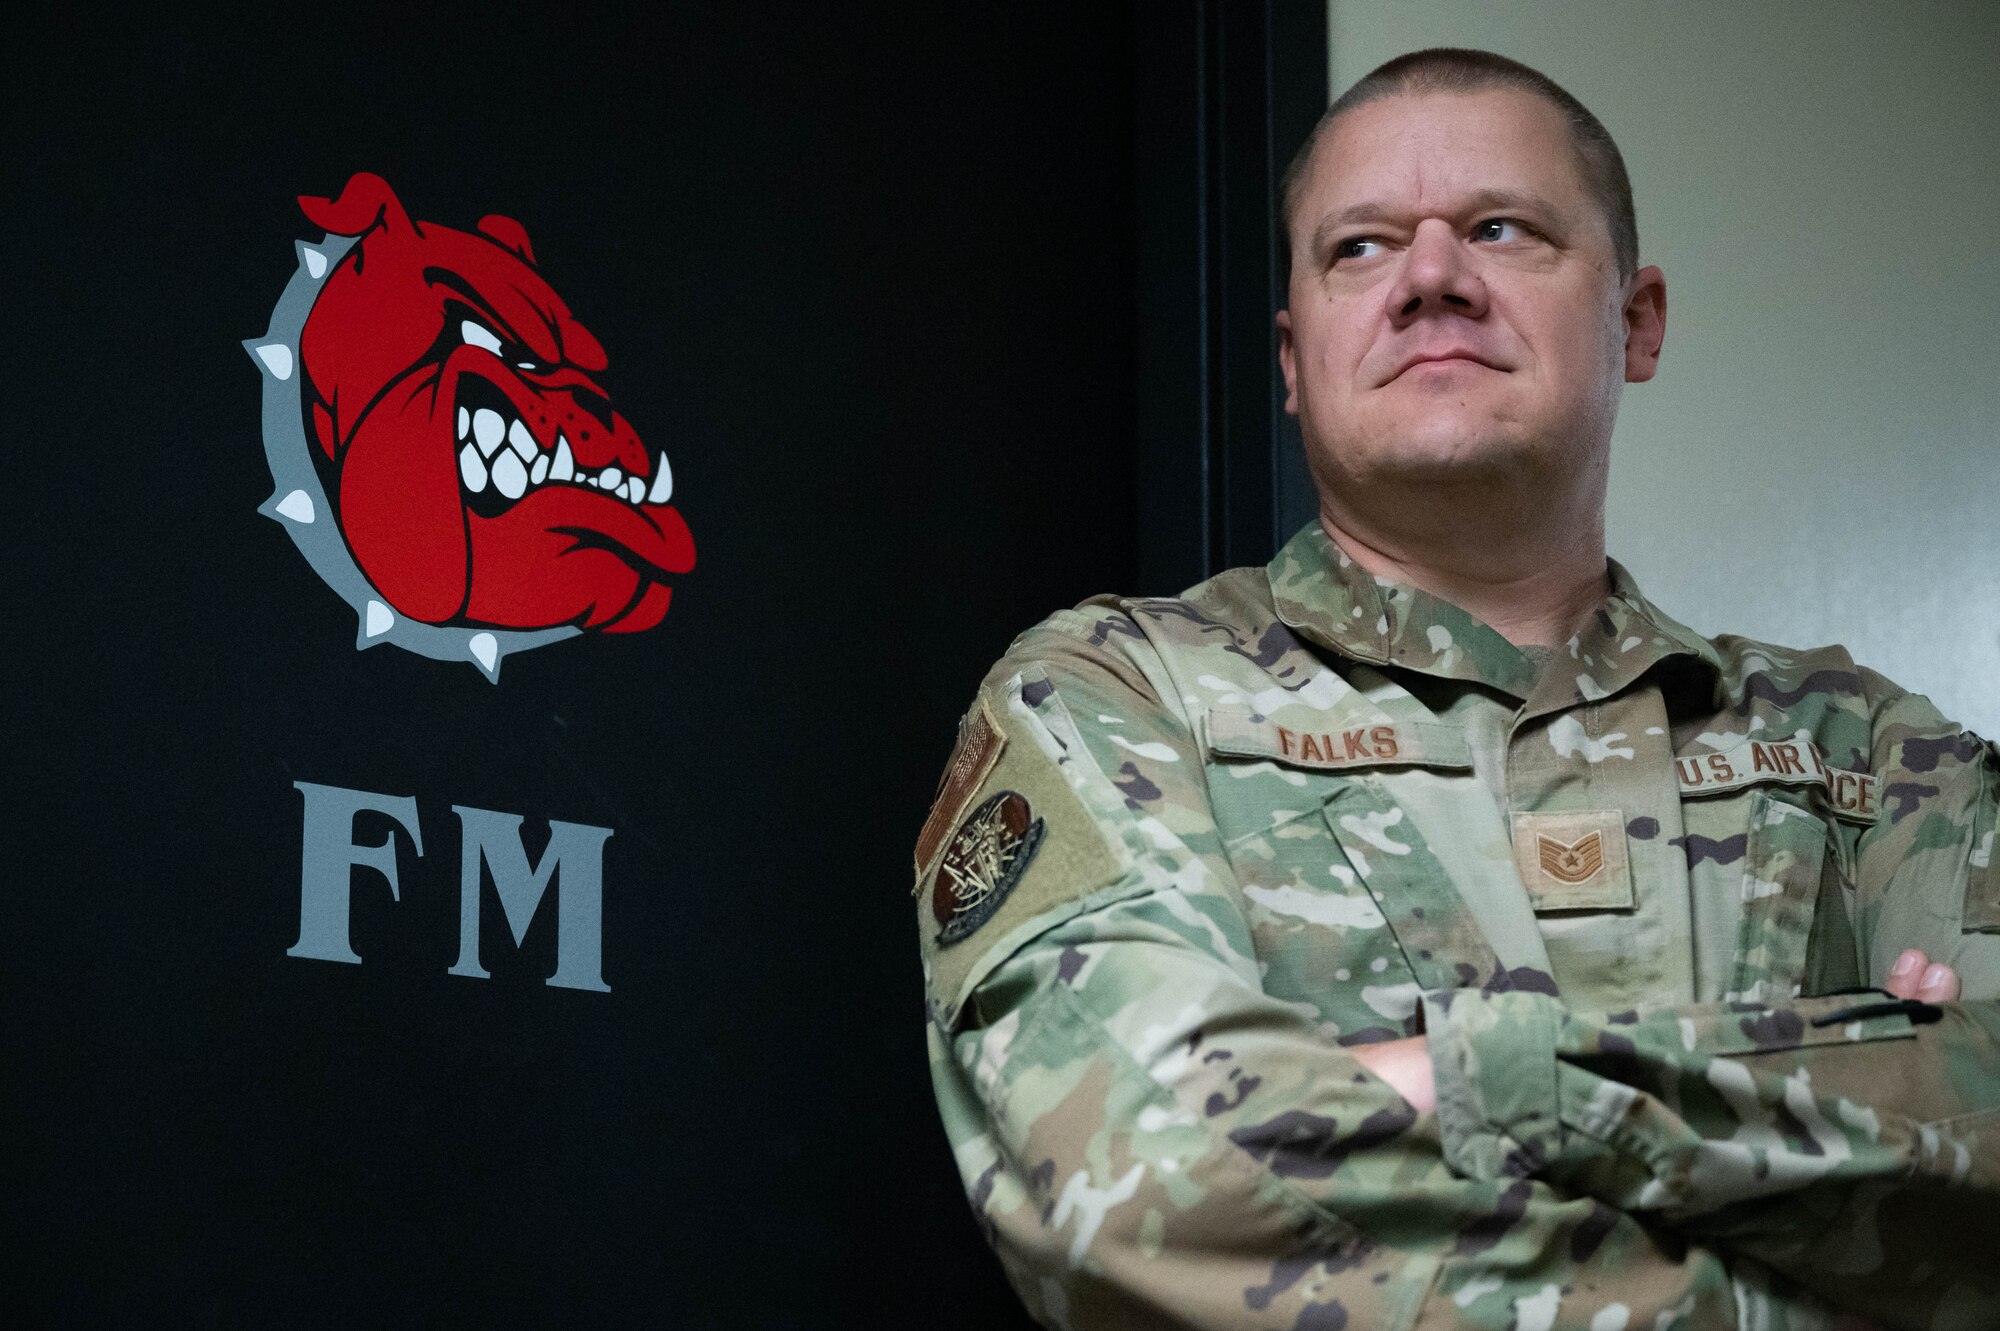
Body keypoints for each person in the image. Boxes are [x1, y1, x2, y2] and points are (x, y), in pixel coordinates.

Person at [913, 48, 2000, 1331]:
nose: (1431, 279)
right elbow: (1144, 1175)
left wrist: (1471, 1079)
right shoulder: (1119, 696)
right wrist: (1831, 1092)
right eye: (1360, 249)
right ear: (1290, 356)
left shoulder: (1861, 752)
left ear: (1635, 320)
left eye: (1499, 228)